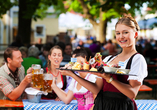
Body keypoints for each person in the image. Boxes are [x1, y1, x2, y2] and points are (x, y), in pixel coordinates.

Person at [59, 15, 148, 110]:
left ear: (135, 34)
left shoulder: (137, 59)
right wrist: (72, 74)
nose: (121, 36)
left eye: (125, 32)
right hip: (102, 105)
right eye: (118, 33)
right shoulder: (108, 59)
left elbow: (132, 94)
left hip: (121, 107)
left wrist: (109, 79)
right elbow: (97, 89)